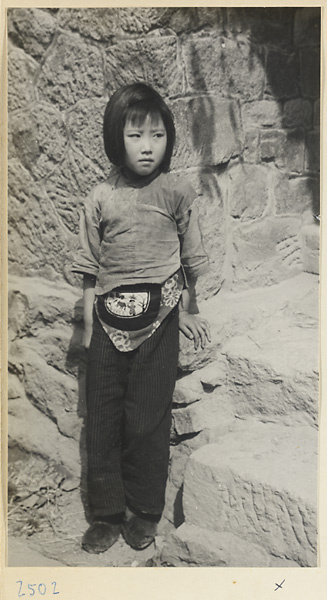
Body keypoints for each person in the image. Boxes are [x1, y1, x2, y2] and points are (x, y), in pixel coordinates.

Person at [72, 82, 210, 554]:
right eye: (135, 135)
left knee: (147, 416)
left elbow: (191, 257)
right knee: (104, 416)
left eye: (156, 134)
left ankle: (143, 510)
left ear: (169, 138)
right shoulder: (99, 199)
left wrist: (190, 309)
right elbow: (89, 269)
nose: (147, 146)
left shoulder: (176, 191)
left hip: (161, 316)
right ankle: (107, 514)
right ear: (117, 139)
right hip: (109, 320)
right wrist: (88, 329)